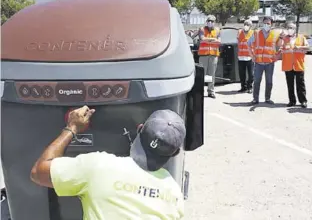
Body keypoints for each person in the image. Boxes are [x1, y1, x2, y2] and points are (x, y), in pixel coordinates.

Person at [30, 106, 185, 220]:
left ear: (140, 129)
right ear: (176, 152)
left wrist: (72, 127)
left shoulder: (98, 167)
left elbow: (38, 172)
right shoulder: (174, 194)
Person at [247, 16, 283, 105]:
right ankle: (255, 99)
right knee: (256, 81)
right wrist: (252, 55)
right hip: (258, 62)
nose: (266, 25)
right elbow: (248, 43)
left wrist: (277, 57)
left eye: (268, 23)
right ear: (262, 23)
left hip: (270, 63)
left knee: (269, 81)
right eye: (265, 23)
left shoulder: (275, 34)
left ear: (271, 24)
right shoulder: (256, 33)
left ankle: (267, 98)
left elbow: (280, 46)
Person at [280, 22, 310, 108]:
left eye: (291, 28)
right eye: (288, 28)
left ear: (295, 29)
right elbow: (280, 48)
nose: (290, 29)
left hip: (298, 65)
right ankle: (292, 101)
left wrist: (300, 47)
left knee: (300, 84)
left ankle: (303, 101)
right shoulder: (284, 39)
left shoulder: (301, 37)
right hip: (288, 65)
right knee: (290, 84)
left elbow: (308, 47)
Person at [198, 15, 221, 98]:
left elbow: (219, 41)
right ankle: (200, 91)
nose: (210, 22)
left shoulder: (218, 30)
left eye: (212, 21)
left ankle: (210, 91)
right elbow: (202, 39)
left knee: (211, 74)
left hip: (213, 55)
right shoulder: (202, 29)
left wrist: (207, 40)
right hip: (203, 55)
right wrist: (213, 39)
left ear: (214, 22)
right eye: (208, 21)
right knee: (202, 74)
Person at [237, 19, 254, 93]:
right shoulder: (240, 32)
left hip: (249, 56)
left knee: (251, 74)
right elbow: (238, 41)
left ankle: (249, 87)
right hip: (241, 56)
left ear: (251, 26)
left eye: (248, 25)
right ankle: (243, 87)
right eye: (245, 24)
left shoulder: (253, 33)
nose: (246, 26)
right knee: (242, 74)